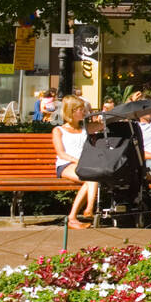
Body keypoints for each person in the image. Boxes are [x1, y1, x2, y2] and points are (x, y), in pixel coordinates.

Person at [52, 95, 98, 230]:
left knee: (91, 177)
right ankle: (89, 209)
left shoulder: (85, 128)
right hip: (65, 165)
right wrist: (77, 161)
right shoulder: (58, 130)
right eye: (80, 110)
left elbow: (106, 123)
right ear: (71, 111)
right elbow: (61, 153)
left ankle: (74, 216)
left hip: (84, 165)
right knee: (90, 177)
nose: (84, 112)